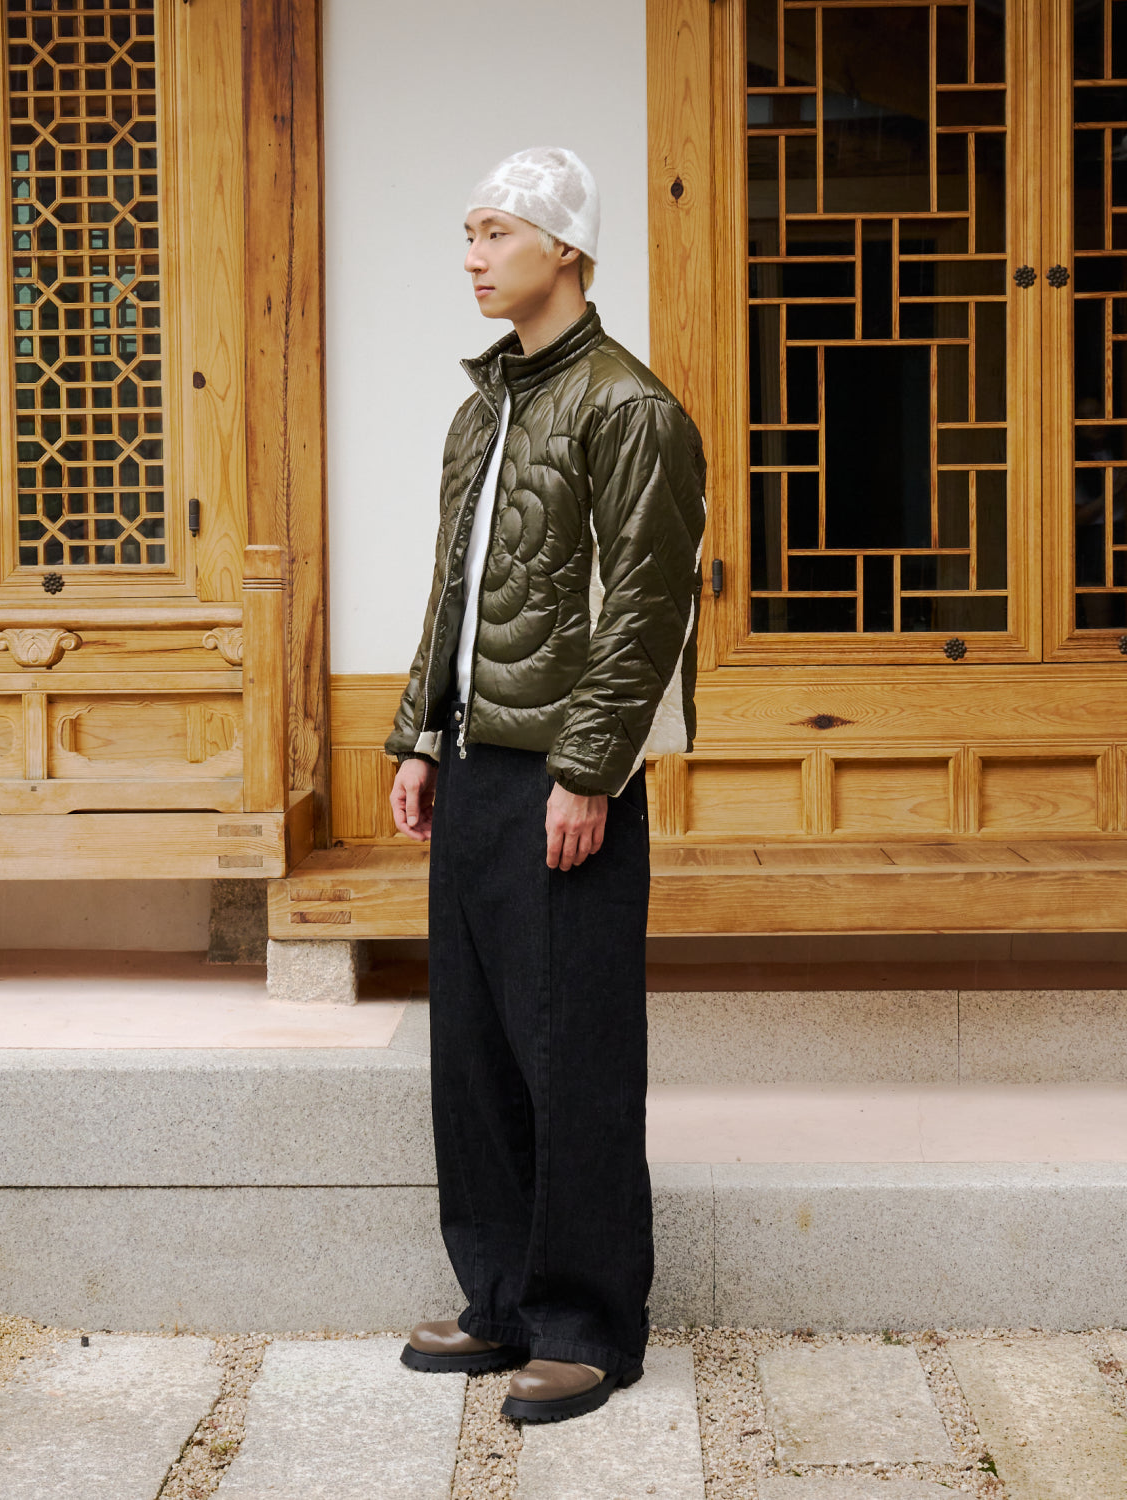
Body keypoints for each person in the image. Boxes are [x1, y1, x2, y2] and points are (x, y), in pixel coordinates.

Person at [385, 146, 707, 1424]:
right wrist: (421, 735)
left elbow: (647, 611)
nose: (471, 256)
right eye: (467, 233)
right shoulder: (483, 412)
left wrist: (589, 771)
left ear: (565, 248)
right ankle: (501, 1302)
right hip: (475, 766)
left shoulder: (630, 409)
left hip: (566, 779)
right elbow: (454, 595)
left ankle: (587, 1326)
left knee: (573, 1052)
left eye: (495, 232)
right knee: (474, 1053)